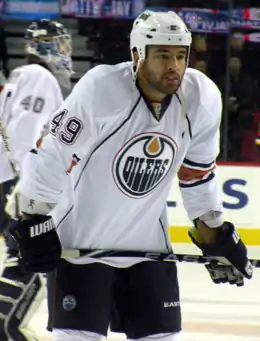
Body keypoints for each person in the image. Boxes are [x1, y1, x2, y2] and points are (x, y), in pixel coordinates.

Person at [9, 10, 253, 341]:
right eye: (163, 55)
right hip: (80, 247)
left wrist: (217, 236)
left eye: (181, 55)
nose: (174, 66)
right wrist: (33, 222)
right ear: (137, 55)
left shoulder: (202, 98)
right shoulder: (101, 90)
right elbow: (52, 155)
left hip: (149, 246)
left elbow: (197, 176)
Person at [0, 18, 73, 341]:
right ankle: (6, 330)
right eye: (58, 43)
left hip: (7, 180)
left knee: (24, 258)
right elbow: (25, 133)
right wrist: (23, 186)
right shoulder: (40, 76)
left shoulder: (20, 75)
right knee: (29, 262)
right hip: (15, 183)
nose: (64, 50)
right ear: (45, 46)